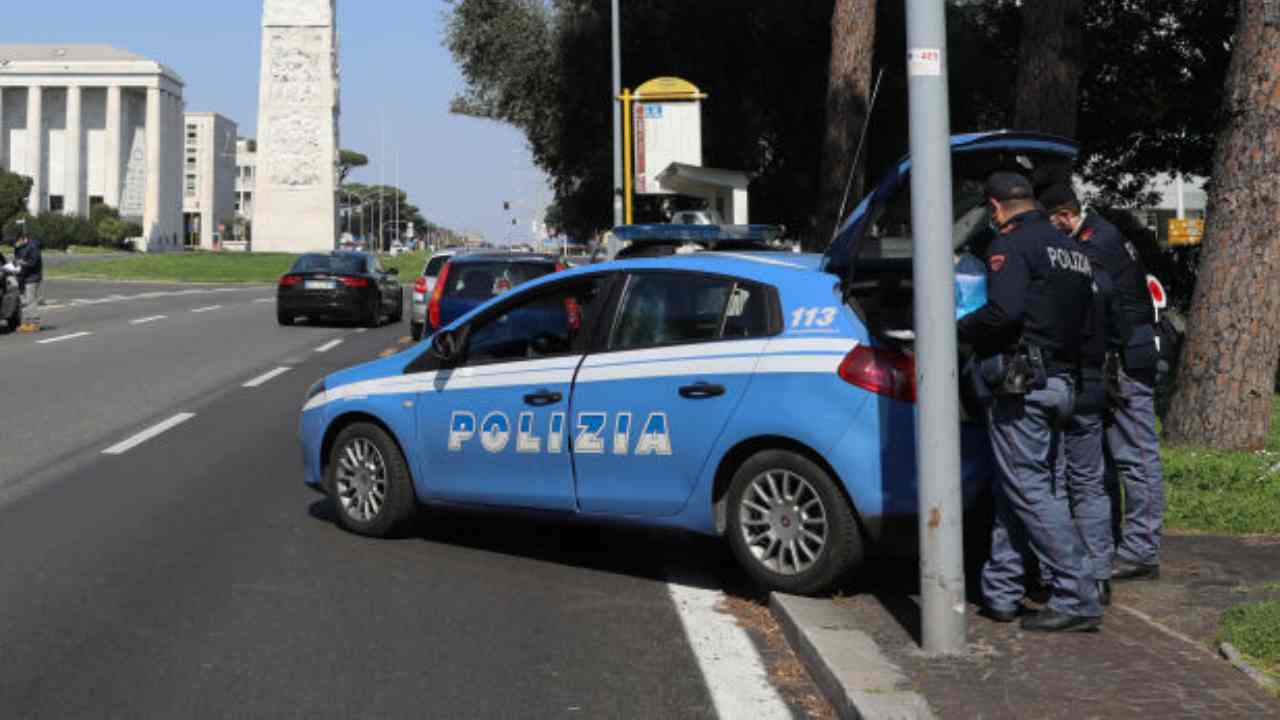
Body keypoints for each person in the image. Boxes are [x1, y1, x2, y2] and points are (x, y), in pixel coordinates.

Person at [959, 171, 1103, 632]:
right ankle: (1001, 592)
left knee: (1031, 492)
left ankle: (1078, 595)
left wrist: (954, 330)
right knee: (1016, 490)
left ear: (996, 208)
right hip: (1062, 384)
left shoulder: (1011, 245)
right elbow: (1087, 326)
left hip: (1024, 383)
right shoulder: (1075, 251)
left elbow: (1005, 312)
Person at [1040, 184, 1165, 582]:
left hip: (1125, 359)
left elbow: (1087, 297)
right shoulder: (1100, 232)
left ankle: (1142, 550)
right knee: (1112, 456)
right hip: (1118, 356)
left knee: (1135, 455)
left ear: (1063, 215)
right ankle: (1115, 542)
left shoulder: (1097, 242)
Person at [13, 228, 43, 332]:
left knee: (31, 300)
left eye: (17, 242)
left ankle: (35, 323)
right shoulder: (18, 247)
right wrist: (15, 263)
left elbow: (33, 263)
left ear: (23, 239)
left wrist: (22, 263)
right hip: (22, 277)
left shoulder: (33, 246)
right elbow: (17, 258)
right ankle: (26, 323)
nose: (16, 244)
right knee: (24, 301)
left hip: (33, 277)